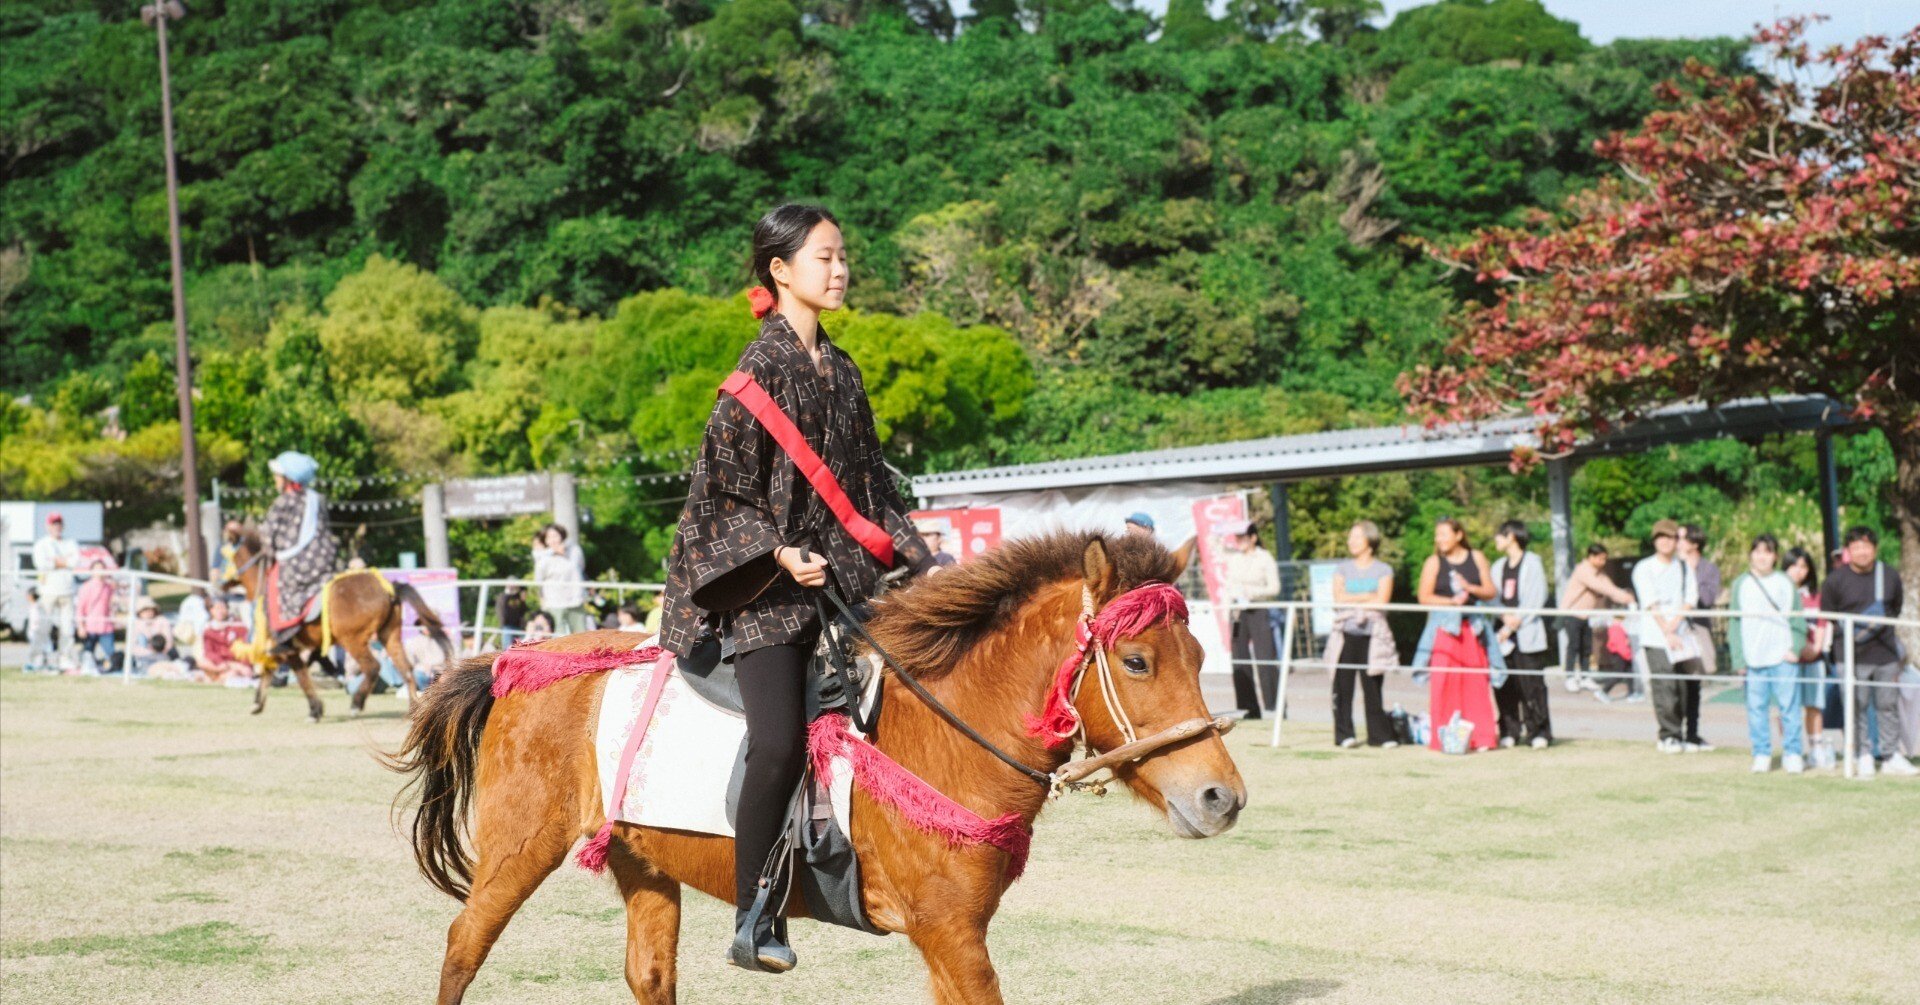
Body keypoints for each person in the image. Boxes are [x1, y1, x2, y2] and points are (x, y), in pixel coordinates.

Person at [657, 204, 936, 973]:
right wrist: (779, 552)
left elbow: (872, 489)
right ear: (780, 271)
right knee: (778, 742)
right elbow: (715, 500)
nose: (840, 269)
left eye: (844, 255)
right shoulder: (754, 374)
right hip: (763, 595)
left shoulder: (843, 371)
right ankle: (755, 912)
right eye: (824, 257)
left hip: (841, 584)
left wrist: (926, 562)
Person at [1820, 527, 1914, 778]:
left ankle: (1890, 755)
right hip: (1850, 656)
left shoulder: (1890, 576)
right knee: (1856, 706)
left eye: (1866, 546)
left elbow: (1895, 608)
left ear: (1874, 548)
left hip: (1885, 655)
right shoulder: (1835, 581)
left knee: (1888, 705)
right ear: (1849, 551)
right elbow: (1828, 615)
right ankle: (1862, 755)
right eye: (1856, 547)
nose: (1861, 551)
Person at [1414, 518, 1500, 752]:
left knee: (1476, 682)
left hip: (1472, 628)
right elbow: (1424, 596)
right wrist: (1451, 601)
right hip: (1444, 629)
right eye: (1437, 535)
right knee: (1443, 682)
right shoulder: (1434, 562)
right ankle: (1443, 736)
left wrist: (1469, 588)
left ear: (1458, 535)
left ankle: (1482, 736)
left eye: (1443, 534)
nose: (1438, 539)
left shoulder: (1477, 557)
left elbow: (1491, 590)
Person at [1728, 535, 1808, 773]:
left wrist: (1795, 647)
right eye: (1758, 551)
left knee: (1789, 708)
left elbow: (1797, 616)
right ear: (1751, 554)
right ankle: (1761, 752)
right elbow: (1734, 622)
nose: (1762, 557)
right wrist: (1739, 658)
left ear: (1775, 556)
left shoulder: (1784, 582)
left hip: (1783, 655)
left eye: (1768, 552)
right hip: (1753, 657)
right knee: (1756, 708)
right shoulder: (1740, 584)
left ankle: (1793, 753)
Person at [1633, 519, 1704, 754]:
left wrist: (1674, 628)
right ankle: (1668, 735)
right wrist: (1667, 630)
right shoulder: (1644, 568)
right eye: (1660, 537)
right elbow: (1650, 603)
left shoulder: (1683, 567)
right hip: (1655, 636)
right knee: (1665, 686)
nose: (1665, 541)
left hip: (1681, 637)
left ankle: (1683, 733)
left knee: (1684, 687)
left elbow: (1689, 600)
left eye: (1670, 537)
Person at [1323, 521, 1395, 747]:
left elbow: (1382, 601)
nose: (1350, 541)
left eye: (1356, 537)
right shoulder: (1342, 568)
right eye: (1350, 537)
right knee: (1342, 686)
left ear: (1370, 540)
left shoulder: (1383, 569)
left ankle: (1379, 736)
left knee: (1373, 687)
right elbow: (1338, 598)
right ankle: (1344, 734)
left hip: (1373, 636)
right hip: (1345, 633)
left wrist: (1354, 597)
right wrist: (1368, 595)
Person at [261, 451, 340, 648]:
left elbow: (267, 536)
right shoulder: (317, 499)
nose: (275, 479)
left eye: (278, 476)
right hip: (324, 560)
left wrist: (268, 554)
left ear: (288, 478)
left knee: (273, 586)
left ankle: (284, 635)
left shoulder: (283, 501)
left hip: (297, 564)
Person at [1490, 521, 1554, 748]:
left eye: (1499, 535)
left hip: (1526, 633)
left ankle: (1539, 731)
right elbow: (1492, 596)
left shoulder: (1532, 562)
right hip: (1502, 636)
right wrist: (1504, 619)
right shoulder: (1498, 566)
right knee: (1505, 685)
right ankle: (1509, 729)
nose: (1496, 540)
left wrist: (1515, 622)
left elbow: (1537, 596)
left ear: (1511, 536)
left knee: (1532, 684)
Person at [1220, 520, 1282, 721]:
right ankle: (1248, 707)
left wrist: (1252, 592)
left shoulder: (1264, 558)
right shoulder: (1234, 558)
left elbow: (1274, 587)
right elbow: (1216, 549)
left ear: (1253, 537)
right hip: (1238, 611)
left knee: (1265, 656)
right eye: (1237, 538)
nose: (1240, 541)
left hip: (1258, 608)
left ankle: (1274, 704)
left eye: (1244, 537)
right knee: (1239, 657)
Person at [1784, 547, 1837, 769]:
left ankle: (1816, 749)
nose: (1799, 571)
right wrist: (1798, 647)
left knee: (1814, 706)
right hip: (1789, 659)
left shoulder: (1816, 596)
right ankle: (1791, 749)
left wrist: (1815, 647)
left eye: (1804, 566)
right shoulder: (1781, 595)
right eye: (1794, 565)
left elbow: (1823, 623)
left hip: (1814, 659)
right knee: (1789, 707)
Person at [1562, 543, 1635, 694]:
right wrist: (1625, 597)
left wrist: (1625, 596)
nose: (1603, 562)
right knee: (1573, 646)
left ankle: (1585, 676)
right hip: (1572, 614)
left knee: (1586, 648)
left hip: (1585, 616)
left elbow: (1610, 587)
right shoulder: (1583, 570)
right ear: (1591, 557)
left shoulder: (1599, 573)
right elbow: (1603, 588)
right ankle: (1569, 676)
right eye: (1601, 559)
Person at [1677, 524, 1719, 750]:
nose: (1677, 543)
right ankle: (1673, 733)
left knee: (1692, 685)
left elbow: (1707, 599)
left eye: (1682, 538)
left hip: (1696, 632)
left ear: (1694, 543)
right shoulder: (1671, 566)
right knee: (1674, 684)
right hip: (1672, 631)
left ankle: (1691, 733)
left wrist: (1691, 571)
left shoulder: (1708, 569)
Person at [32, 513, 80, 671]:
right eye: (53, 524)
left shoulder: (71, 542)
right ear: (48, 526)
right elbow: (41, 564)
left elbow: (76, 562)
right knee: (43, 626)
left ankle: (65, 658)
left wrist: (55, 561)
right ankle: (37, 657)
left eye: (59, 523)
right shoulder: (42, 544)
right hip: (48, 590)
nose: (56, 527)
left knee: (67, 628)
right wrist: (63, 561)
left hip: (67, 591)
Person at [532, 524, 590, 634]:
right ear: (545, 541)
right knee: (558, 636)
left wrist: (563, 554)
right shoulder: (543, 558)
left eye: (555, 535)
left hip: (575, 599)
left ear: (562, 536)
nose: (553, 539)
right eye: (549, 537)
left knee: (581, 634)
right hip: (554, 602)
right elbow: (538, 580)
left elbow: (581, 567)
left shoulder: (575, 550)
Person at [196, 597, 253, 685]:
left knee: (236, 673)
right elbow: (209, 652)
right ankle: (217, 676)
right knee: (202, 661)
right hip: (219, 664)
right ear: (211, 610)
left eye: (223, 608)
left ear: (227, 609)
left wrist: (243, 665)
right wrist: (221, 663)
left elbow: (246, 648)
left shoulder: (238, 626)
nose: (220, 611)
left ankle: (215, 678)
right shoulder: (209, 629)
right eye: (217, 608)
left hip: (235, 663)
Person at [74, 561, 118, 674]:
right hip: (90, 626)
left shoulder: (109, 587)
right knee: (88, 654)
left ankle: (107, 668)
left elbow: (113, 605)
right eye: (97, 568)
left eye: (102, 568)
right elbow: (80, 608)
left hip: (106, 626)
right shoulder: (86, 587)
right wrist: (80, 626)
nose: (100, 571)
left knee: (111, 654)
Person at [128, 597, 174, 677]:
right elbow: (132, 646)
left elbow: (169, 642)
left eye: (150, 609)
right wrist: (149, 652)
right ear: (139, 612)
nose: (148, 612)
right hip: (143, 657)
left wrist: (158, 651)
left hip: (162, 654)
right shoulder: (136, 624)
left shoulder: (162, 621)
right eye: (145, 610)